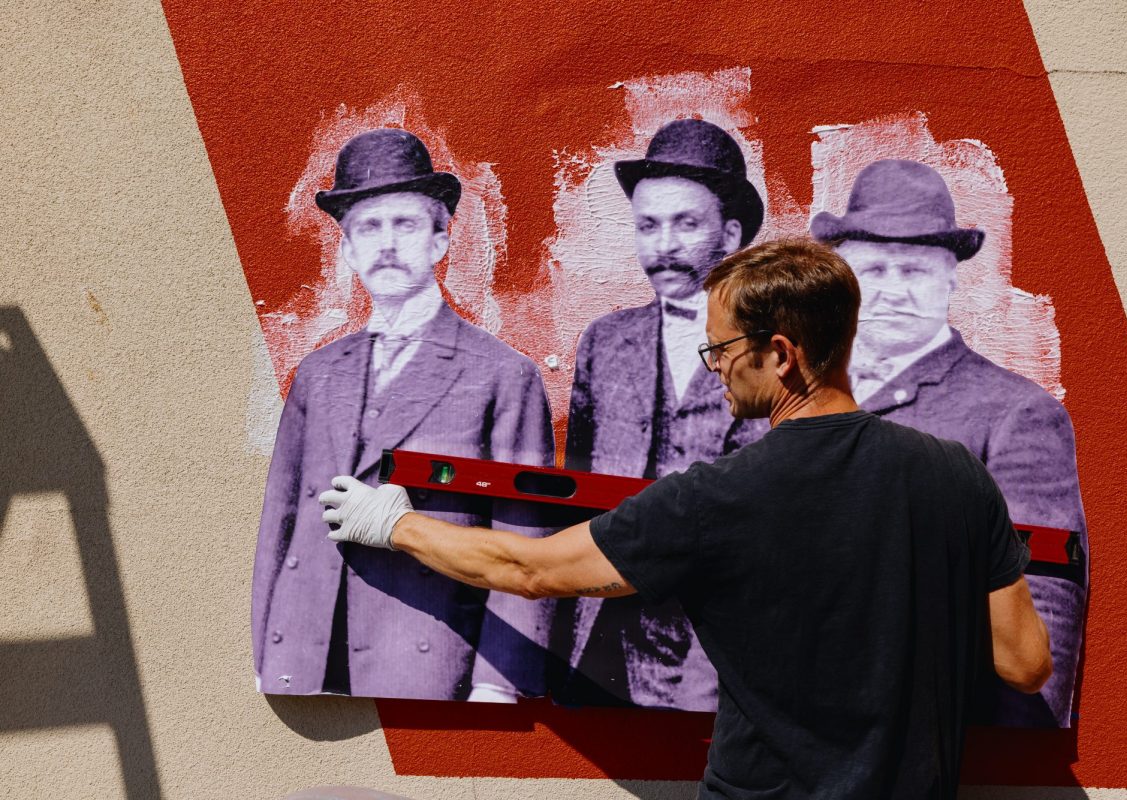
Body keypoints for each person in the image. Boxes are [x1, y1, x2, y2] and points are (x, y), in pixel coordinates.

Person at [319, 238, 1051, 798]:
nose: (713, 366)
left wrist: (394, 525)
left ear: (781, 354)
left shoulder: (718, 499)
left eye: (723, 348)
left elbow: (529, 570)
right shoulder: (957, 477)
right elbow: (1024, 664)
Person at [251, 128, 555, 701]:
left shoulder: (502, 374)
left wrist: (498, 685)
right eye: (368, 227)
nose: (386, 245)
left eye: (406, 225)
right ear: (346, 249)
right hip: (306, 655)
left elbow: (525, 538)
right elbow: (279, 520)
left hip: (425, 656)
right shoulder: (317, 374)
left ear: (441, 240)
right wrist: (264, 653)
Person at [810, 159, 1087, 727]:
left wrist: (998, 746)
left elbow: (1045, 604)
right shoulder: (798, 394)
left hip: (917, 729)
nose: (890, 291)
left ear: (951, 280)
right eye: (873, 270)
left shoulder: (1018, 413)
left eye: (913, 271)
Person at [558, 118, 769, 710]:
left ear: (729, 235)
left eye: (686, 224)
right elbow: (573, 495)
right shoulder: (605, 341)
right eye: (648, 226)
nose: (665, 246)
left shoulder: (777, 351)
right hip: (598, 643)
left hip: (714, 654)